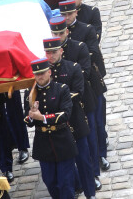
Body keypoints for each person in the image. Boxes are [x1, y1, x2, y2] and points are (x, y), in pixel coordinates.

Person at [58, 0, 108, 174]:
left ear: (75, 13)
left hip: (89, 85)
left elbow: (92, 53)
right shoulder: (54, 41)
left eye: (69, 14)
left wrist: (73, 72)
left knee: (96, 125)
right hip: (67, 91)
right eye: (63, 15)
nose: (66, 18)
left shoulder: (86, 30)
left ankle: (101, 155)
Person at [43, 37, 96, 199]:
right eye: (48, 52)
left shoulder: (73, 68)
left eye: (54, 52)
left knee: (83, 160)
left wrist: (60, 102)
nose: (51, 56)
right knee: (64, 161)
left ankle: (90, 192)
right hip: (57, 126)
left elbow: (78, 93)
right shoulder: (43, 72)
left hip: (74, 120)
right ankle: (76, 185)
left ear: (61, 51)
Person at [23, 58, 78, 199]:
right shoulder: (30, 94)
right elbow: (27, 121)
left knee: (65, 183)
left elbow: (65, 114)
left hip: (62, 141)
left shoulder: (61, 89)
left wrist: (42, 118)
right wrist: (31, 115)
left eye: (42, 73)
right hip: (43, 143)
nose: (39, 77)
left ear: (49, 72)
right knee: (50, 181)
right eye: (36, 74)